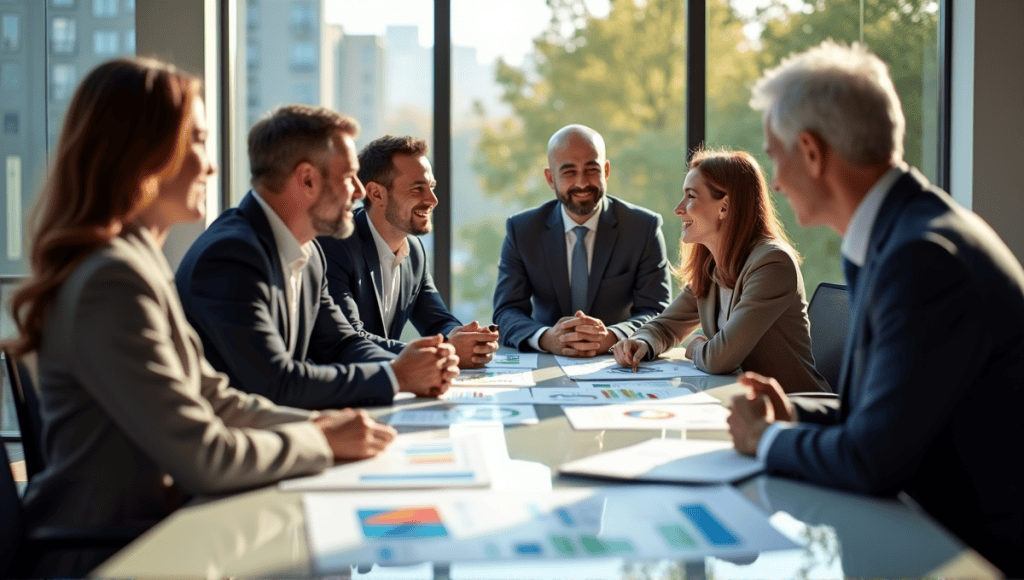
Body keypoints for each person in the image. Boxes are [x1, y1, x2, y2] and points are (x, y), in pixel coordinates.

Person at [4, 58, 396, 535]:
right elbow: (203, 456)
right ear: (142, 152)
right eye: (198, 140)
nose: (211, 166)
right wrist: (321, 440)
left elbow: (215, 398)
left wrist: (327, 425)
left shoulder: (137, 262)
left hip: (154, 534)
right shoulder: (112, 279)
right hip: (111, 552)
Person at [727, 41, 1024, 575]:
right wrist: (793, 412)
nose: (773, 181)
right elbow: (887, 413)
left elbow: (872, 459)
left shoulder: (920, 257)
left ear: (812, 153)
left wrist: (764, 439)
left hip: (969, 556)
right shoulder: (905, 233)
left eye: (775, 155)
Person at [176, 105, 459, 410]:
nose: (359, 191)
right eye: (349, 176)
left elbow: (341, 343)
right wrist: (395, 376)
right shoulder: (230, 256)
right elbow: (275, 383)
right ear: (308, 179)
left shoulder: (311, 254)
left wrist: (421, 365)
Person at [611, 150, 828, 393]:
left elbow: (719, 359)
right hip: (740, 405)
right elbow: (665, 326)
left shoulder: (772, 263)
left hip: (793, 411)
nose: (678, 209)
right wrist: (641, 342)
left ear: (724, 207)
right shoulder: (712, 266)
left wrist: (693, 347)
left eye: (690, 196)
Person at [317, 135, 499, 367]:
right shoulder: (335, 244)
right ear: (376, 194)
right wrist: (444, 350)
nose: (432, 200)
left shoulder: (414, 251)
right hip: (338, 391)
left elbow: (438, 321)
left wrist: (467, 339)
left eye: (431, 187)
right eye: (417, 189)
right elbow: (349, 340)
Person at [492, 124, 672, 356]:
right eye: (568, 172)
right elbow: (506, 311)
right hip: (546, 361)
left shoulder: (643, 228)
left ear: (606, 171)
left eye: (591, 169)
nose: (582, 183)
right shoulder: (522, 230)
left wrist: (612, 336)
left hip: (618, 361)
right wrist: (546, 338)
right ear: (550, 178)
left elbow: (657, 310)